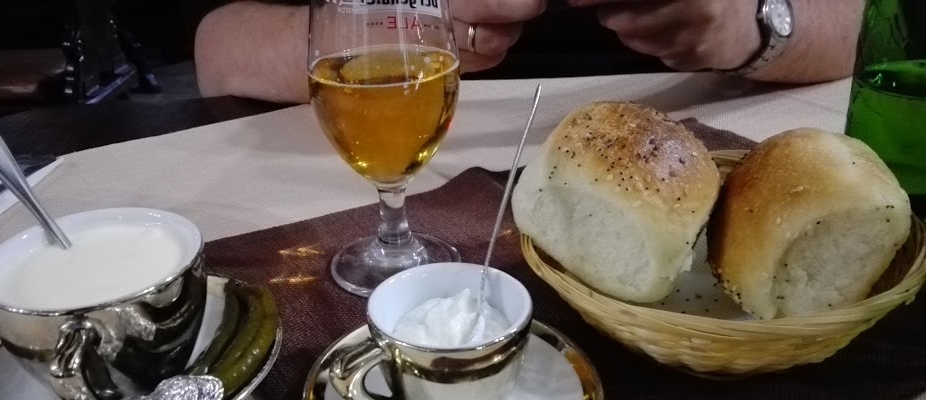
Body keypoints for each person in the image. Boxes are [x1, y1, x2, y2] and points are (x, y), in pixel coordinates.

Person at [194, 0, 864, 103]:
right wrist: (406, 27)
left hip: (699, 139)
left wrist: (750, 24)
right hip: (379, 195)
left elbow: (873, 27)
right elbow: (220, 45)